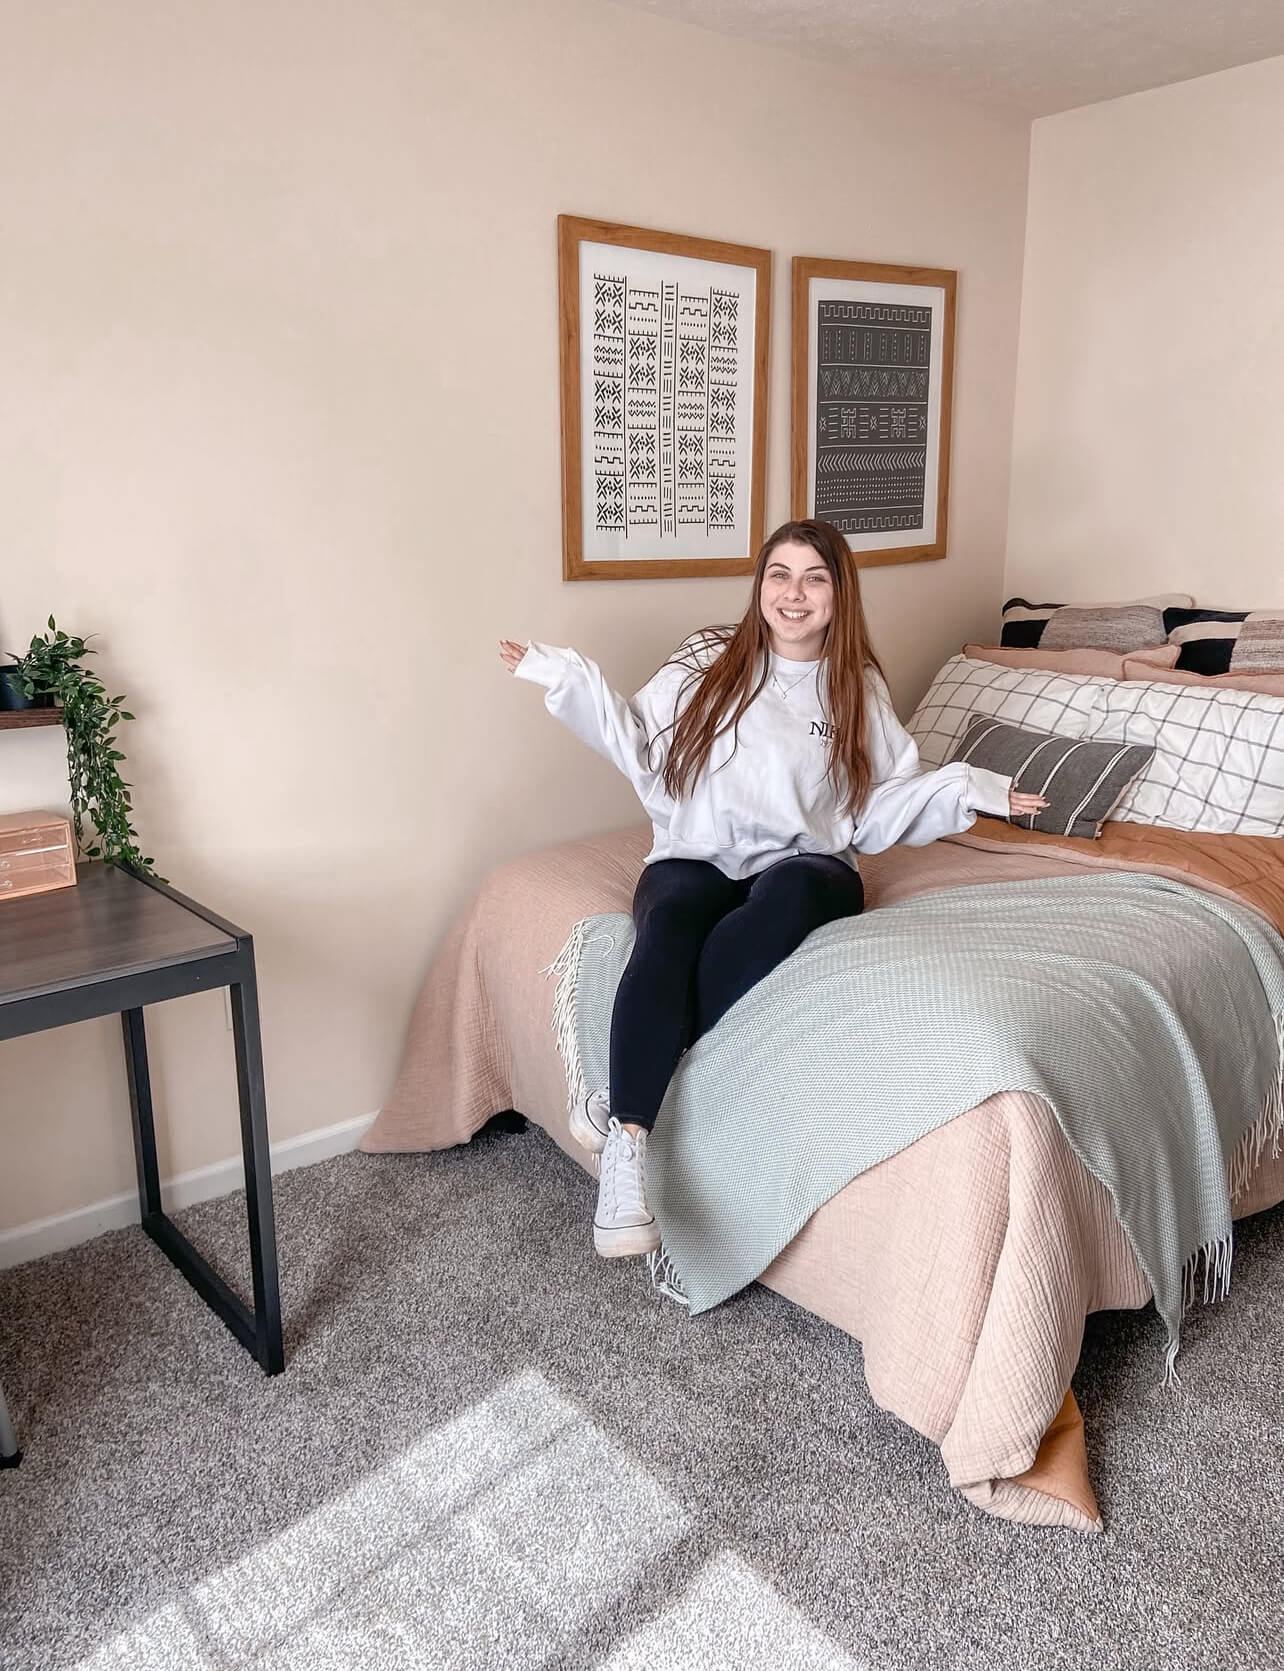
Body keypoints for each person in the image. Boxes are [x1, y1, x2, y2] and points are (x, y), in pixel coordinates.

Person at [500, 518, 1046, 1260]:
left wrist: (971, 789)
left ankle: (624, 1087)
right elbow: (634, 737)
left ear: (838, 592)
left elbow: (879, 805)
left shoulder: (856, 687)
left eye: (814, 577)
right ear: (760, 586)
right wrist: (561, 674)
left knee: (787, 903)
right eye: (779, 574)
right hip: (696, 852)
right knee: (666, 932)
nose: (793, 593)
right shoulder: (706, 662)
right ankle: (628, 1147)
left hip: (806, 863)